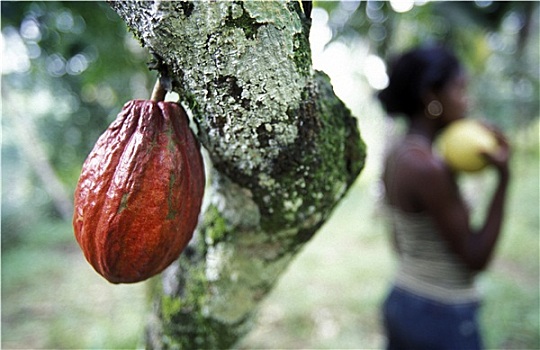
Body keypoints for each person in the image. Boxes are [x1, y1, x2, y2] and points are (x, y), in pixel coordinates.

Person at [377, 46, 511, 349]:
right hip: (440, 313)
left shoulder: (399, 152)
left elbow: (400, 241)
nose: (467, 101)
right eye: (461, 89)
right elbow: (476, 257)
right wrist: (504, 179)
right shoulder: (428, 167)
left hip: (405, 298)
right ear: (431, 96)